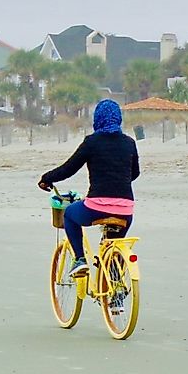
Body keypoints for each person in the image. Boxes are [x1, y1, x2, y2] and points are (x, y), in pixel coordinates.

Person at [38, 99, 140, 276]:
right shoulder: (129, 143)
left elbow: (69, 168)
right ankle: (116, 296)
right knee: (113, 248)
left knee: (69, 214)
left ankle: (79, 260)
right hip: (125, 210)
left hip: (96, 207)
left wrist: (47, 179)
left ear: (97, 118)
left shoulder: (92, 142)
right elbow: (135, 173)